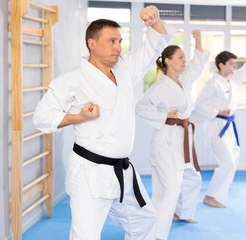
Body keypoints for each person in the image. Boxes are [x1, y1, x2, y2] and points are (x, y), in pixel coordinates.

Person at [33, 6, 175, 240]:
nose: (118, 47)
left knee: (145, 221)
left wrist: (155, 20)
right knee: (85, 236)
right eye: (111, 41)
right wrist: (80, 116)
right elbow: (41, 117)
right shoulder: (73, 80)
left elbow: (154, 45)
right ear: (92, 43)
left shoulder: (125, 69)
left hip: (123, 172)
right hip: (90, 174)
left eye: (120, 41)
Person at [135, 30, 210, 240]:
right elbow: (140, 108)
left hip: (183, 137)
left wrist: (198, 41)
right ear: (167, 61)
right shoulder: (159, 87)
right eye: (180, 57)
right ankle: (156, 232)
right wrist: (163, 115)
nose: (185, 61)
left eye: (185, 57)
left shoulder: (183, 81)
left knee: (191, 177)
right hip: (166, 141)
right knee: (169, 189)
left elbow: (198, 64)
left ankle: (183, 213)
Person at [195, 51, 246, 208]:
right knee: (228, 161)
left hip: (228, 126)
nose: (234, 66)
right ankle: (210, 196)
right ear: (221, 65)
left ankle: (225, 183)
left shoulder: (231, 79)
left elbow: (244, 72)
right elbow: (199, 104)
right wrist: (217, 111)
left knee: (236, 153)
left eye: (234, 64)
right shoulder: (213, 83)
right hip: (216, 127)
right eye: (231, 64)